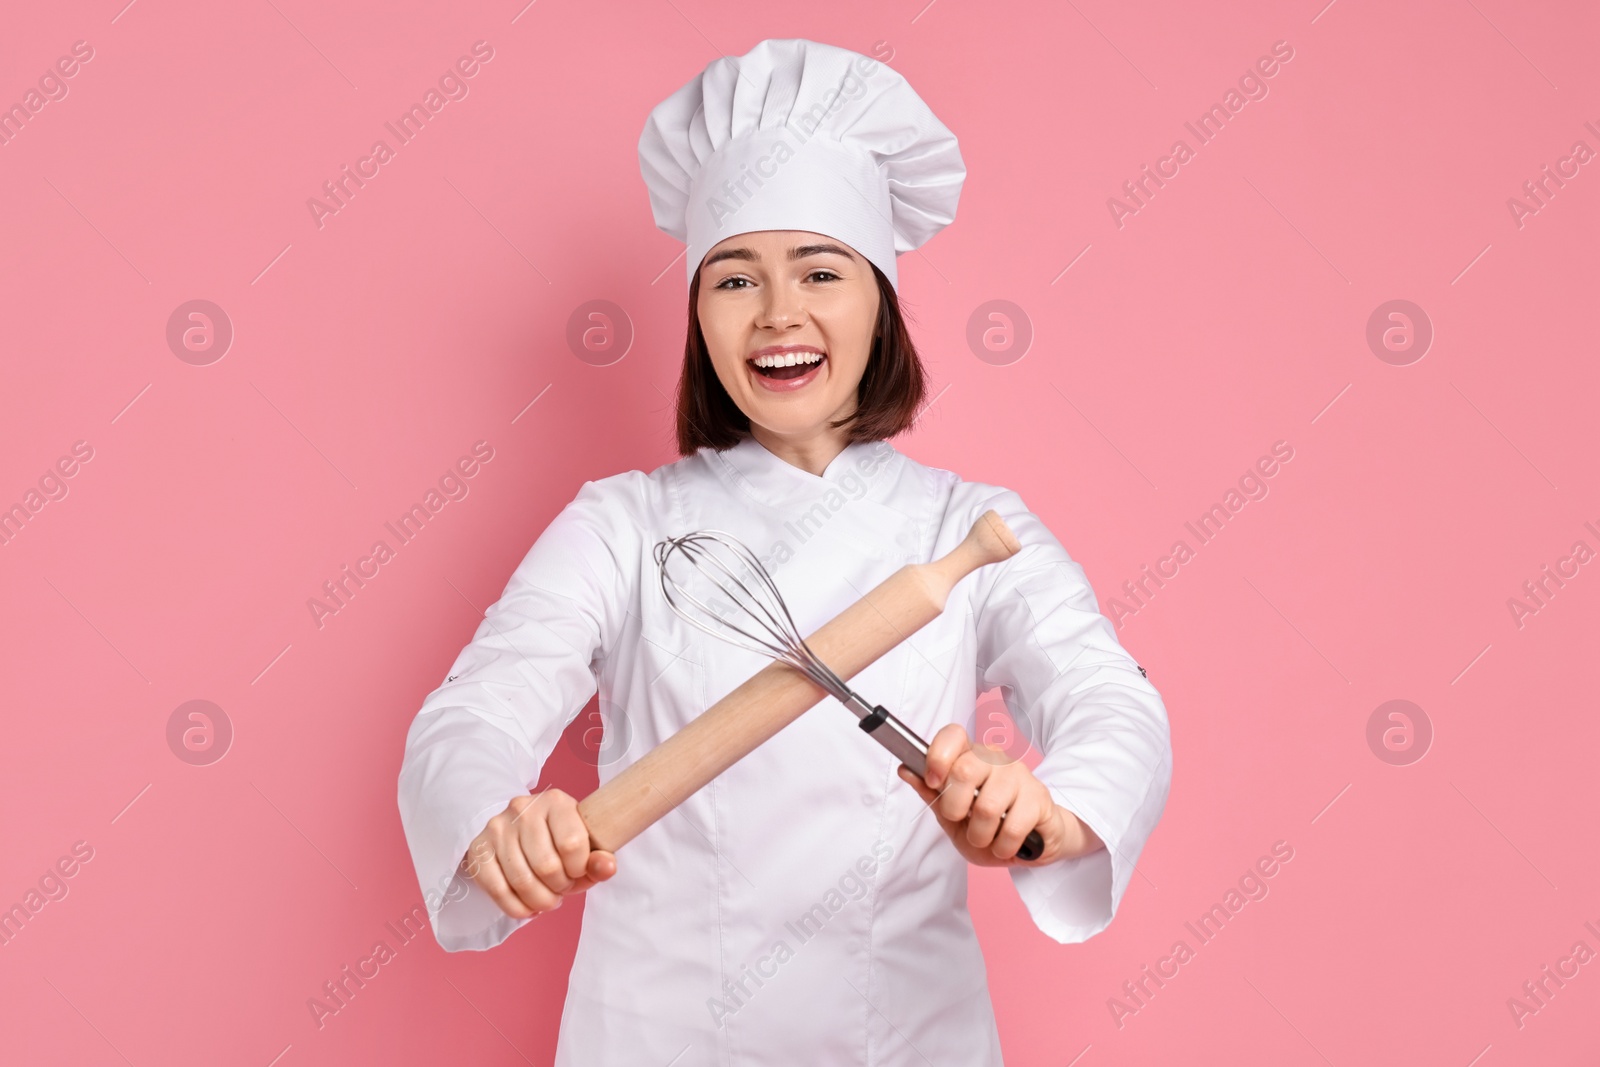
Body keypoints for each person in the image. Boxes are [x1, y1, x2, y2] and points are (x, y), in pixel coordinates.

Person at [397, 38, 1171, 1065]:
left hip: (907, 1039)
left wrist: (1051, 810)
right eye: (734, 279)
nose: (778, 313)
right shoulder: (622, 526)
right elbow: (471, 712)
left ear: (879, 300)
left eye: (819, 269)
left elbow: (1114, 703)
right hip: (652, 1035)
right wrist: (500, 822)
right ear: (699, 317)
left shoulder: (966, 528)